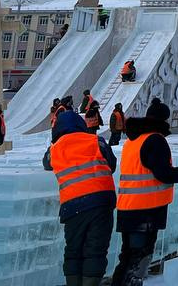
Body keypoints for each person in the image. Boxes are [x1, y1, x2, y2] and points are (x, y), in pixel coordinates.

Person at [111, 99, 178, 286]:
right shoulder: (155, 140)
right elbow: (164, 174)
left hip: (129, 208)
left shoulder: (133, 141)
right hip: (146, 211)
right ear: (163, 120)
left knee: (129, 258)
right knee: (137, 261)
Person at [44, 109, 117, 286]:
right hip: (101, 201)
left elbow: (46, 163)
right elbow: (112, 164)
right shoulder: (96, 141)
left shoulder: (54, 149)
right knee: (96, 250)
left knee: (73, 250)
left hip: (73, 206)